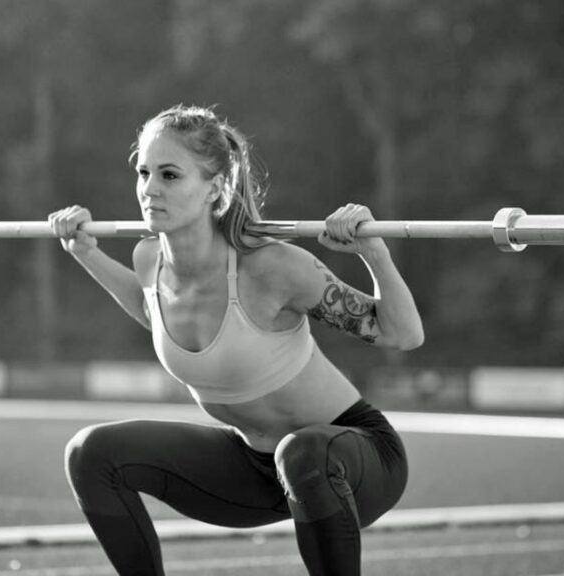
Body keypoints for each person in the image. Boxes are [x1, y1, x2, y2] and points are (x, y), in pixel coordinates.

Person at [54, 105, 424, 576]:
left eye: (169, 175)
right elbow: (157, 310)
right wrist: (85, 254)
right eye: (143, 172)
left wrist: (372, 250)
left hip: (352, 462)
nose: (149, 189)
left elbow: (402, 333)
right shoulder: (150, 261)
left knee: (302, 453)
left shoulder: (270, 268)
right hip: (258, 469)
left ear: (215, 187)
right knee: (91, 454)